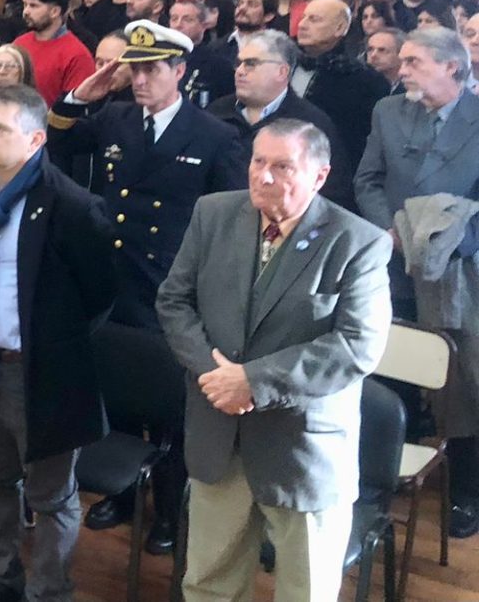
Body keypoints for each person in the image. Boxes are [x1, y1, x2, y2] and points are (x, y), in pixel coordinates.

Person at [158, 121, 391, 601]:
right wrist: (216, 376)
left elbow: (357, 346)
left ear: (320, 176)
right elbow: (174, 301)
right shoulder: (212, 214)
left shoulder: (358, 241)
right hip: (219, 438)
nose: (263, 176)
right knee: (208, 585)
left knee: (306, 591)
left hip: (301, 451)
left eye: (283, 166)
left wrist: (253, 382)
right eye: (258, 161)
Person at [48, 19, 246, 553]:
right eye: (134, 71)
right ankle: (126, 493)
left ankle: (169, 510)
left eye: (151, 71)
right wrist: (80, 96)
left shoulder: (214, 135)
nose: (139, 81)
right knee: (119, 388)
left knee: (169, 404)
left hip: (171, 285)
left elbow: (231, 218)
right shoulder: (115, 117)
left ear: (179, 72)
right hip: (116, 276)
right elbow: (59, 139)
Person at [0, 85, 117, 602]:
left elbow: (100, 294)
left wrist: (54, 342)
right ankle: (0, 576)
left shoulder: (72, 206)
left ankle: (48, 590)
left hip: (37, 373)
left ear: (36, 139)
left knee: (50, 494)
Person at [355, 27, 479, 536]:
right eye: (402, 60)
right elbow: (367, 179)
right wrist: (391, 231)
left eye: (413, 62)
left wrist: (448, 241)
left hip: (457, 273)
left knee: (460, 380)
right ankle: (384, 478)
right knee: (390, 370)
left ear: (451, 67)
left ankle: (465, 491)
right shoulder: (388, 111)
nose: (400, 70)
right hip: (393, 262)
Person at [206, 30, 355, 211]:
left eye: (251, 64)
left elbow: (333, 194)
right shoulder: (216, 112)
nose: (240, 71)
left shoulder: (310, 124)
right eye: (239, 63)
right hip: (219, 218)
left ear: (282, 71)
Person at [293, 0, 387, 175]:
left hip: (336, 169)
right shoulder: (285, 65)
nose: (302, 25)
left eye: (314, 19)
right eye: (303, 18)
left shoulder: (365, 79)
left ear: (340, 28)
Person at [13, 0, 95, 107]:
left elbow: (74, 107)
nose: (26, 11)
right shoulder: (19, 43)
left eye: (33, 6)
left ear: (55, 12)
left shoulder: (77, 55)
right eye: (25, 5)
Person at [168, 0, 236, 108]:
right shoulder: (159, 59)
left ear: (203, 25)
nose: (178, 25)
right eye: (174, 19)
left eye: (187, 20)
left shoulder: (219, 66)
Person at [363, 27, 405, 94]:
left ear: (401, 54)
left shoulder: (412, 86)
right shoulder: (360, 84)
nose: (373, 55)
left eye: (382, 50)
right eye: (370, 49)